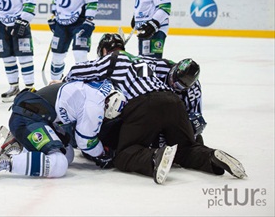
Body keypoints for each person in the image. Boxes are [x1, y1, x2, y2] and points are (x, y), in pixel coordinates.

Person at [64, 33, 247, 184]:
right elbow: (179, 76)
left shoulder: (112, 59)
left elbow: (77, 71)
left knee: (125, 153)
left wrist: (64, 86)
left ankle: (154, 158)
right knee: (185, 149)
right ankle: (211, 157)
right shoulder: (147, 60)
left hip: (144, 104)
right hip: (174, 103)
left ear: (103, 51)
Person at [0, 80, 127, 180]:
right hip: (28, 118)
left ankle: (18, 143)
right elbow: (85, 142)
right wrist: (103, 153)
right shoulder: (95, 108)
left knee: (67, 154)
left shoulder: (103, 88)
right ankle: (4, 161)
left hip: (36, 114)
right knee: (59, 164)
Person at [48, 0, 98, 81]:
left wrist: (89, 21)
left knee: (80, 55)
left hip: (79, 23)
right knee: (57, 57)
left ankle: (83, 83)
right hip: (61, 23)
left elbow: (92, 3)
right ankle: (54, 84)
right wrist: (53, 16)